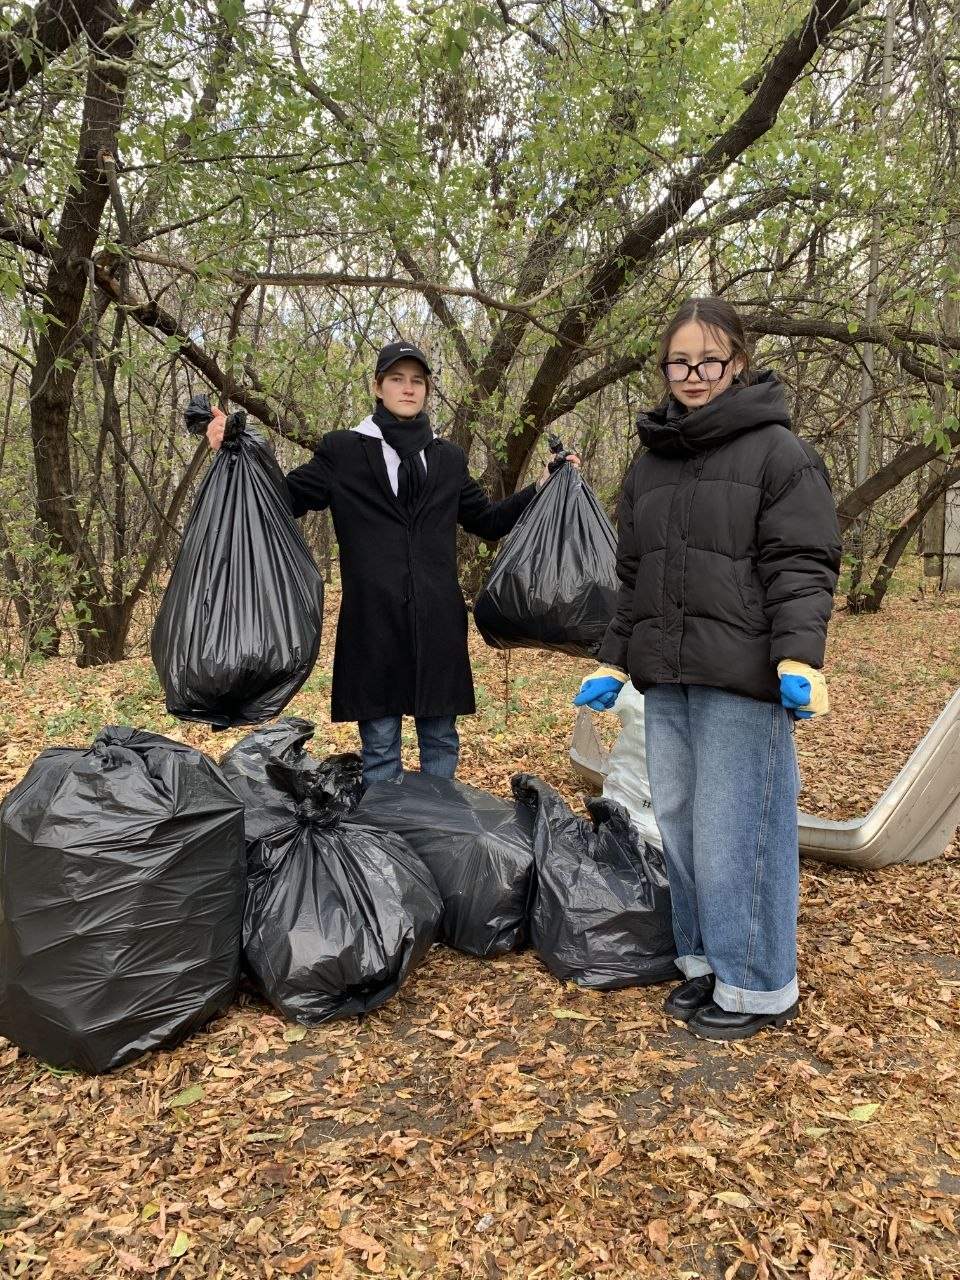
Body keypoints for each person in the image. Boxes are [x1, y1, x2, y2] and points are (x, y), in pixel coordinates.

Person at [574, 297, 841, 1042]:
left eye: (710, 360)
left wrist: (798, 655)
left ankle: (758, 984)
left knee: (739, 834)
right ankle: (706, 963)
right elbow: (635, 577)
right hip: (669, 677)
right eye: (680, 362)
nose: (694, 374)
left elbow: (802, 563)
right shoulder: (651, 463)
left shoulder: (780, 454)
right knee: (684, 829)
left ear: (738, 363)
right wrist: (613, 658)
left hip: (742, 675)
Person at [207, 340, 576, 789]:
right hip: (372, 621)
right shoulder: (343, 450)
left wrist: (542, 485)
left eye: (417, 381)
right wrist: (238, 450)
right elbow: (283, 498)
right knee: (380, 747)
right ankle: (389, 844)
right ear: (377, 387)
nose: (408, 388)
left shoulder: (448, 457)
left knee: (440, 738)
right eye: (397, 379)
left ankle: (438, 827)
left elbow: (489, 521)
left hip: (437, 620)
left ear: (426, 390)